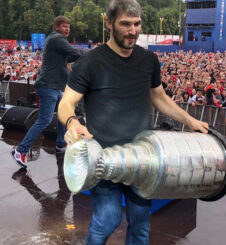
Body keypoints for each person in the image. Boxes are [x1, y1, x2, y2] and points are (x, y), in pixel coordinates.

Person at [57, 1, 208, 244]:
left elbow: (159, 98)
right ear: (109, 23)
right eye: (125, 24)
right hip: (103, 160)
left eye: (136, 24)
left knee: (140, 227)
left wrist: (190, 120)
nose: (132, 30)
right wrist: (72, 122)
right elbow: (66, 103)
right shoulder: (89, 62)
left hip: (143, 160)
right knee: (107, 220)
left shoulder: (148, 60)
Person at [11, 16, 83, 168]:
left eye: (69, 27)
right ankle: (21, 150)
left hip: (55, 88)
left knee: (65, 113)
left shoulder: (55, 41)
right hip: (48, 87)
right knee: (44, 120)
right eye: (64, 26)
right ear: (56, 26)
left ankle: (60, 144)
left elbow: (69, 56)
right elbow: (75, 53)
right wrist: (94, 54)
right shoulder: (57, 38)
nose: (67, 29)